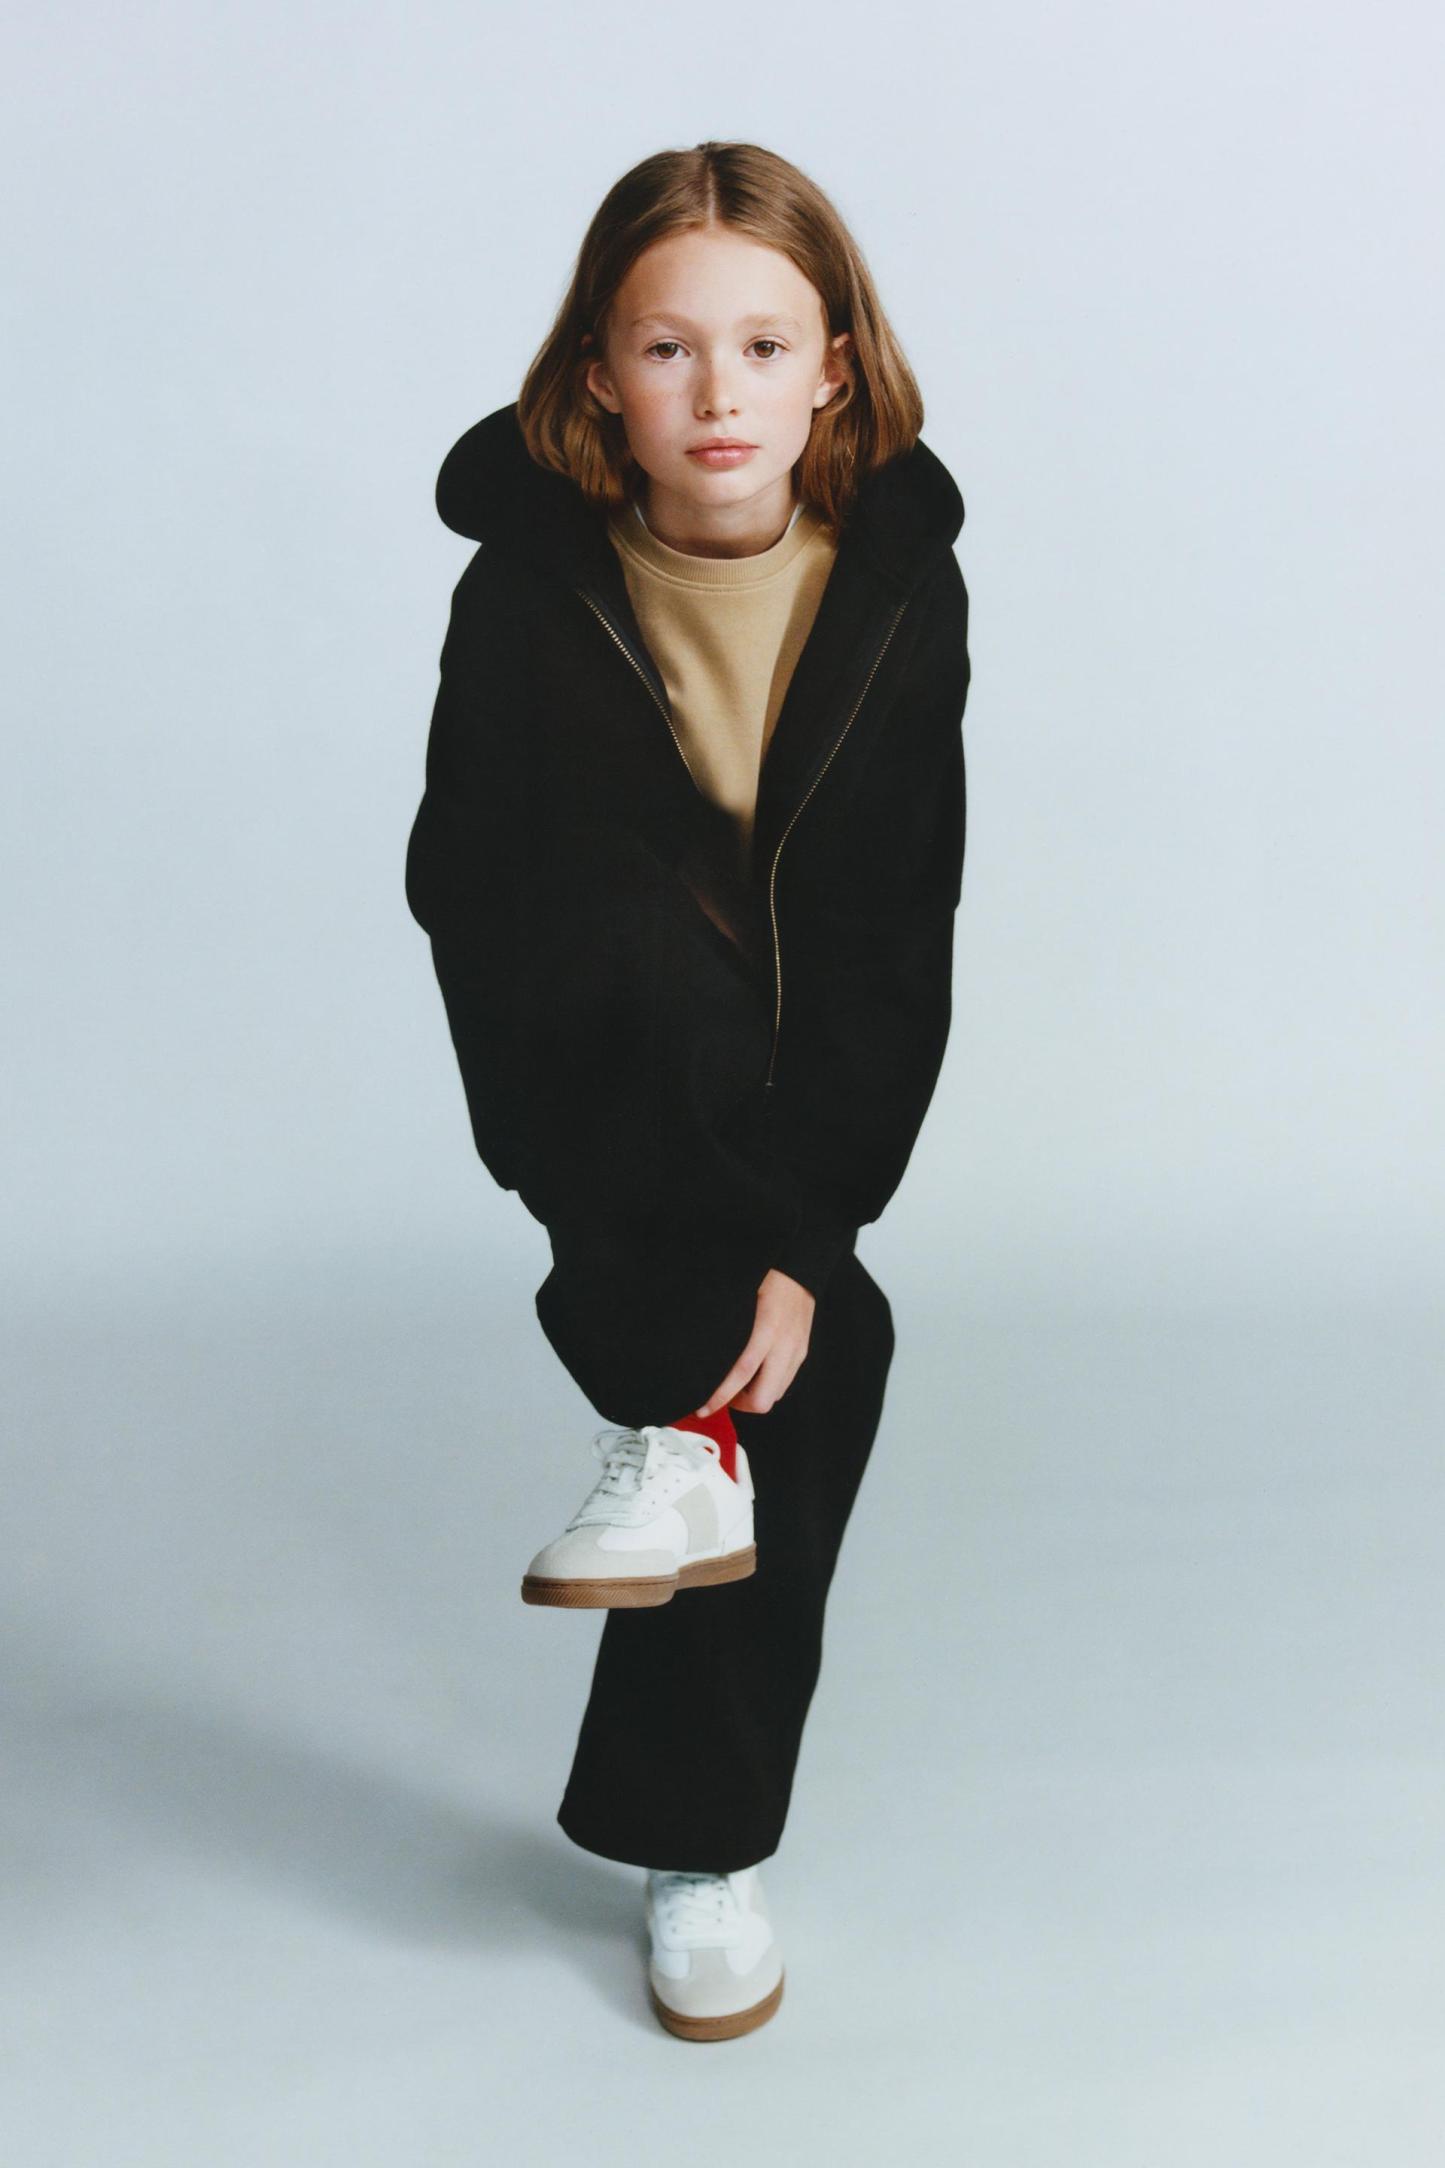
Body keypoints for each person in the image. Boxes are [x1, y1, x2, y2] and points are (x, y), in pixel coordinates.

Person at [404, 139, 971, 2042]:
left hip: (792, 1080)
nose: (714, 393)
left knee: (826, 1356)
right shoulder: (524, 593)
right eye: (665, 347)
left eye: (760, 345)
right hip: (587, 1072)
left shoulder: (898, 590)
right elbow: (470, 895)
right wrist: (575, 1172)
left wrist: (806, 1238)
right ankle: (673, 1397)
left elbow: (897, 925)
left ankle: (698, 1830)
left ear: (832, 369)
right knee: (639, 921)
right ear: (598, 373)